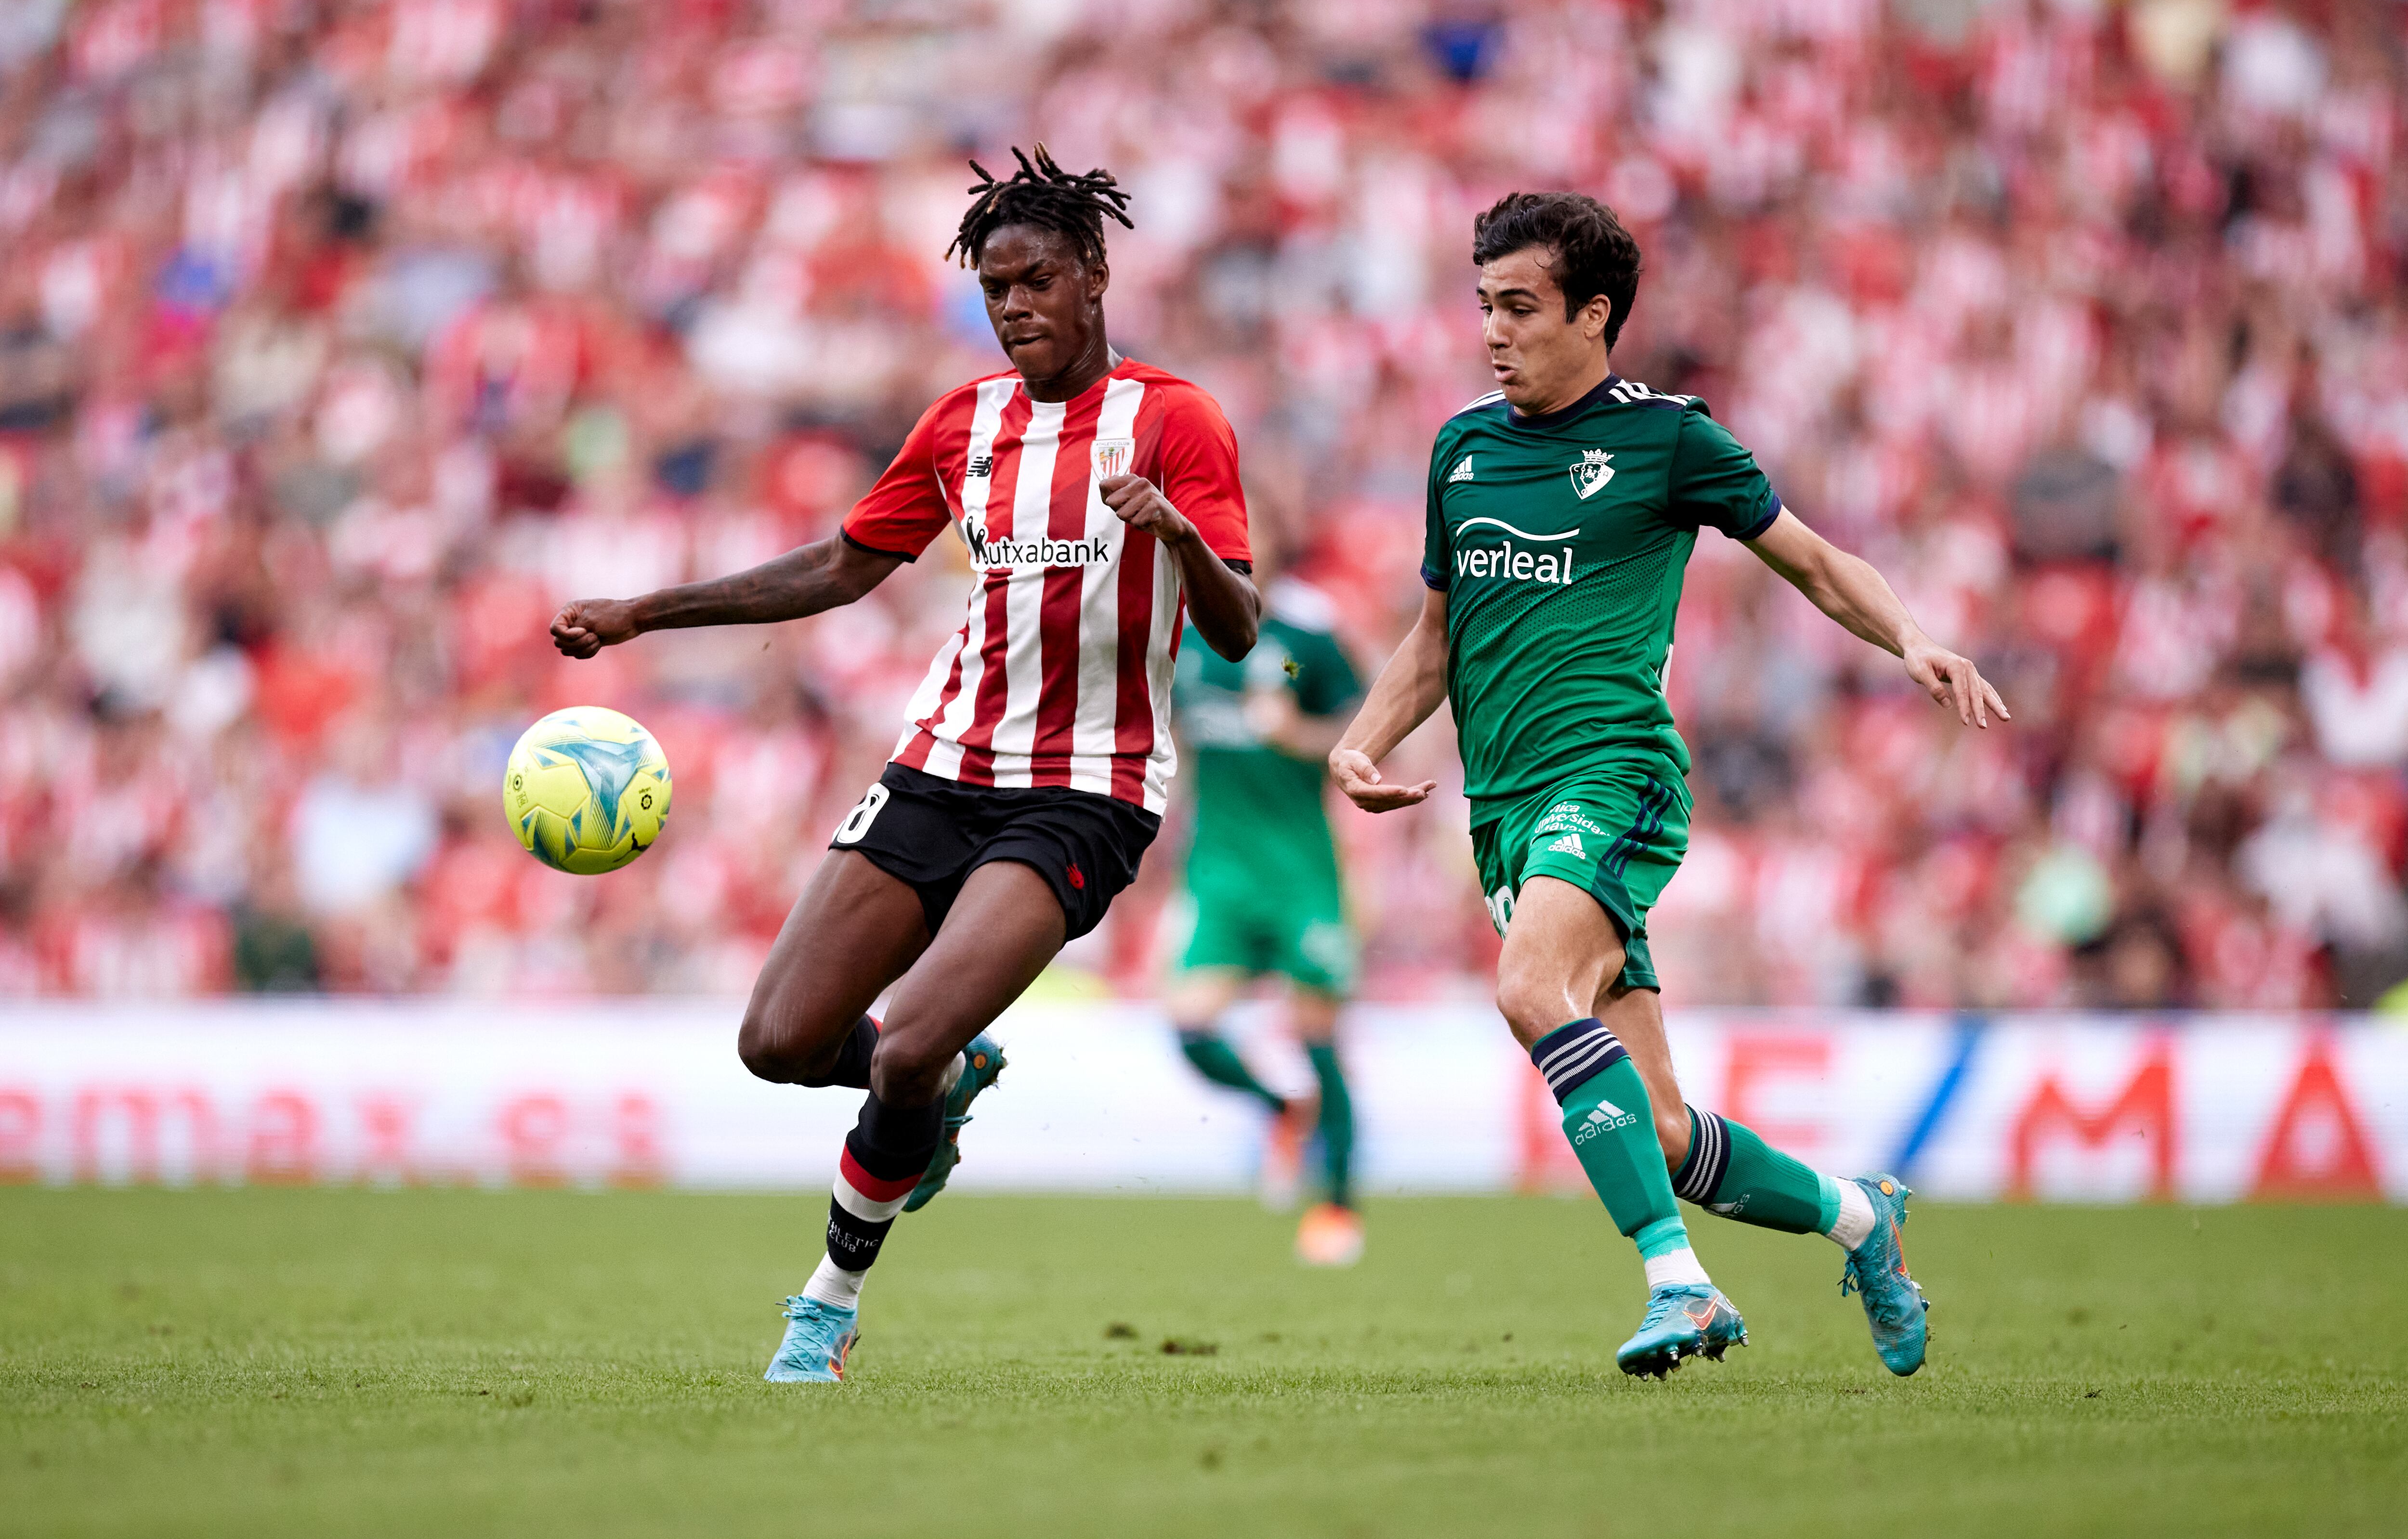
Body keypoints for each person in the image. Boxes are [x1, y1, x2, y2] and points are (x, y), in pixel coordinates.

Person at [549, 147, 1257, 1383]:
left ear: (1095, 276)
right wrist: (642, 614)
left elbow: (1240, 625)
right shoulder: (963, 423)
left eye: (1038, 279)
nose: (1016, 305)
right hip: (939, 764)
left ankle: (824, 1307)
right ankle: (934, 1091)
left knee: (907, 1043)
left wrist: (1177, 533)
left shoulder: (1174, 420)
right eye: (996, 287)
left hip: (1086, 786)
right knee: (776, 1037)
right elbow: (839, 566)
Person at [1330, 192, 2009, 1380]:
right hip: (1505, 812)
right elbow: (1434, 640)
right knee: (1659, 1125)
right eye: (1484, 304)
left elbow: (1811, 558)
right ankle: (1862, 1217)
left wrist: (1909, 637)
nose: (1493, 330)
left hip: (1615, 774)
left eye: (1520, 306)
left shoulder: (1667, 439)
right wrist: (1363, 737)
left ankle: (1676, 1279)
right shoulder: (1461, 446)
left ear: (1594, 314)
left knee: (1530, 985)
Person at [1166, 556, 1364, 1265]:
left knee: (1320, 1036)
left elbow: (1360, 723)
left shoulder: (1302, 642)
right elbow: (1178, 734)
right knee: (1189, 1027)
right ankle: (1284, 1108)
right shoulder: (1186, 640)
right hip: (1219, 870)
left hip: (1298, 870)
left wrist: (1299, 735)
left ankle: (1338, 1208)